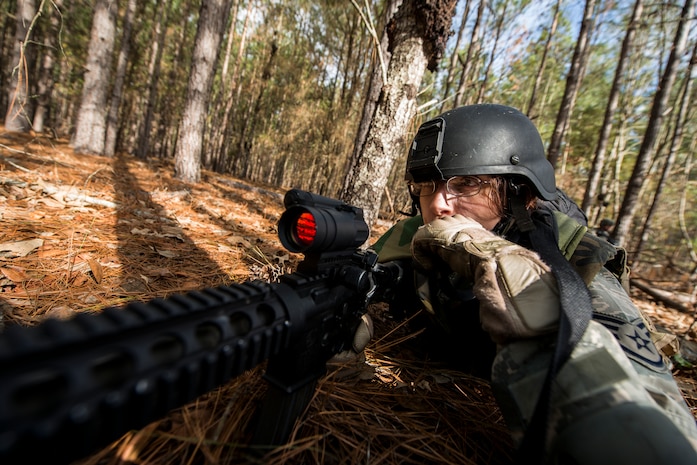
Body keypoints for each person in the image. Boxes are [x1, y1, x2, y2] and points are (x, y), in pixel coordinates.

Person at [370, 104, 697, 464]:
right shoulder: (412, 233)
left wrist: (508, 270)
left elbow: (661, 429)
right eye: (425, 185)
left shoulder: (580, 268)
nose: (438, 204)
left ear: (520, 194)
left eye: (465, 184)